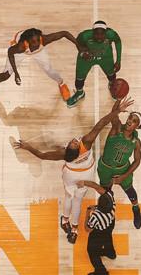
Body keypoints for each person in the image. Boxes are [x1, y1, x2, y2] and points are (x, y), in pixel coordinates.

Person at [11, 95, 134, 243]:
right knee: (78, 200)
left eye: (73, 143)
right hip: (86, 173)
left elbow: (42, 155)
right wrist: (117, 111)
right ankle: (74, 228)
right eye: (75, 143)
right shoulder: (86, 142)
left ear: (67, 149)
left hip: (71, 174)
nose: (75, 141)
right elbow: (101, 123)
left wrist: (27, 147)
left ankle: (65, 220)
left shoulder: (63, 154)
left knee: (69, 196)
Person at [0, 28, 77, 103]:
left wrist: (78, 45)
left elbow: (64, 33)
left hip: (39, 53)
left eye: (38, 42)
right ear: (27, 43)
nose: (36, 46)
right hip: (20, 53)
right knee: (6, 74)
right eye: (33, 44)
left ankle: (62, 84)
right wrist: (16, 73)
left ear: (40, 39)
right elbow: (10, 52)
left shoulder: (44, 40)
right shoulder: (20, 47)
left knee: (49, 70)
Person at [97, 109, 141, 229]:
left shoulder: (136, 142)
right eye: (130, 118)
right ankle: (108, 214)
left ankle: (136, 208)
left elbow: (137, 161)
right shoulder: (117, 128)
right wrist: (118, 102)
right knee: (105, 194)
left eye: (134, 121)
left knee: (130, 190)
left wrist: (124, 176)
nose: (130, 121)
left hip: (123, 169)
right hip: (106, 168)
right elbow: (113, 114)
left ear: (137, 126)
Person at [66, 20, 122, 108]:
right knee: (79, 79)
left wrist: (118, 61)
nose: (99, 36)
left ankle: (112, 87)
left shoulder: (111, 34)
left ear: (106, 32)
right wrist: (82, 53)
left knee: (112, 76)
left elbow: (118, 42)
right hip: (87, 57)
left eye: (102, 34)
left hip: (105, 56)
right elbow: (78, 43)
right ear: (93, 32)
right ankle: (80, 93)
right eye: (96, 34)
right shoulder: (84, 35)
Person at [78, 181, 116, 275]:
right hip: (110, 224)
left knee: (92, 250)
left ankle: (101, 272)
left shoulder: (96, 216)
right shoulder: (111, 198)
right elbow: (97, 187)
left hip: (99, 232)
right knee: (108, 237)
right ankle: (110, 253)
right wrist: (84, 182)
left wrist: (88, 213)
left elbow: (87, 229)